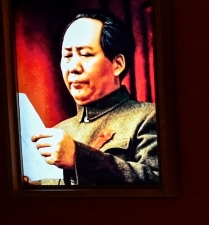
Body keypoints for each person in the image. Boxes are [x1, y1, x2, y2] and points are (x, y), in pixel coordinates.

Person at [30, 11, 159, 185]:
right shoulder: (58, 132)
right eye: (67, 56)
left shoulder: (148, 117)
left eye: (85, 54)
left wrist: (79, 157)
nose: (73, 67)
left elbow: (158, 182)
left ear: (117, 64)